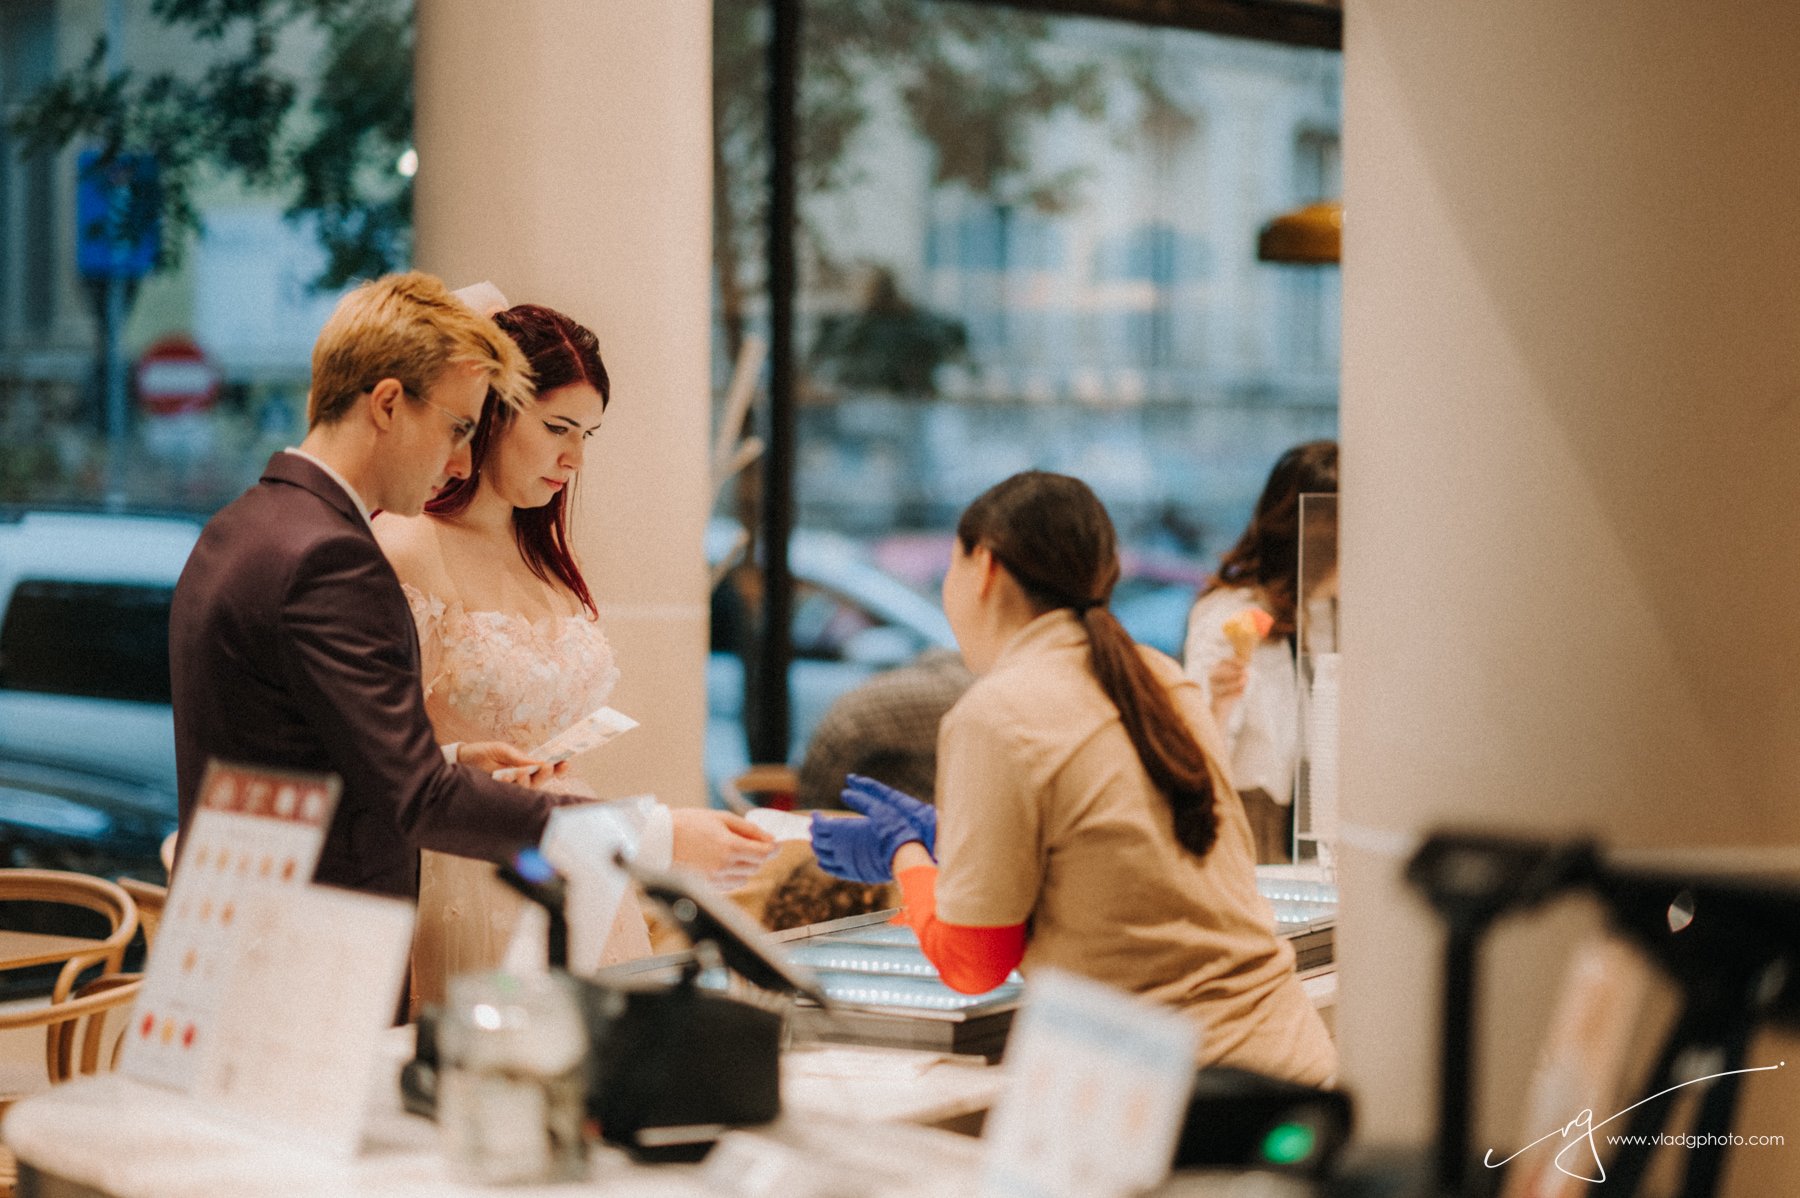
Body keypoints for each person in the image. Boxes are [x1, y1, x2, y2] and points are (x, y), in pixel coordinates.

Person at [809, 471, 1336, 1085]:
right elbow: (1113, 853)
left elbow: (973, 962)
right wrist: (947, 837)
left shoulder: (996, 712)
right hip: (1290, 1060)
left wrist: (904, 853)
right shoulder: (1158, 677)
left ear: (983, 566)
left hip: (1176, 1091)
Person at [375, 299, 774, 999]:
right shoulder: (409, 546)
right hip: (468, 857)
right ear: (492, 412)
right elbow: (380, 751)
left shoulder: (544, 556)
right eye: (558, 428)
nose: (575, 457)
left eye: (587, 433)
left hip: (578, 849)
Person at [170, 272, 571, 912]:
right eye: (459, 429)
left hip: (234, 921)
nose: (462, 464)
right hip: (308, 948)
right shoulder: (331, 560)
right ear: (387, 404)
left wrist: (453, 755)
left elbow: (293, 745)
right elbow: (420, 801)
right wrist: (640, 833)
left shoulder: (238, 525)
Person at [1182, 440, 1338, 863]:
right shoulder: (1231, 614)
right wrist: (1219, 702)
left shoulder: (1333, 615)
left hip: (1323, 837)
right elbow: (1200, 758)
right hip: (1254, 832)